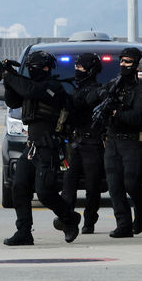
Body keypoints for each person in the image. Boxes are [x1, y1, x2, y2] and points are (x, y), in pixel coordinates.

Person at [0, 51, 81, 245]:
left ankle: (70, 219)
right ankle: (24, 231)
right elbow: (13, 101)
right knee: (19, 187)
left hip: (49, 147)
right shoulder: (31, 86)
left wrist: (9, 76)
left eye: (34, 68)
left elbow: (30, 91)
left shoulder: (53, 87)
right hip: (32, 147)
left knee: (44, 192)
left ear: (46, 69)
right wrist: (7, 77)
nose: (31, 71)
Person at [98, 47, 142, 238]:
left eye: (128, 62)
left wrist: (115, 112)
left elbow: (138, 116)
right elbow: (95, 98)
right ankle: (123, 225)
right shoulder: (114, 85)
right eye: (121, 61)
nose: (123, 65)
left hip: (134, 143)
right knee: (114, 186)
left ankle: (141, 212)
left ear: (137, 65)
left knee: (131, 183)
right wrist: (103, 98)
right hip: (113, 141)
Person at [55, 53, 105, 234]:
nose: (77, 71)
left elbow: (83, 105)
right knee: (69, 182)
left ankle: (89, 220)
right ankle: (67, 217)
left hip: (93, 143)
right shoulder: (74, 90)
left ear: (91, 70)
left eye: (81, 68)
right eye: (76, 67)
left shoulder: (97, 91)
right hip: (75, 143)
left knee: (93, 186)